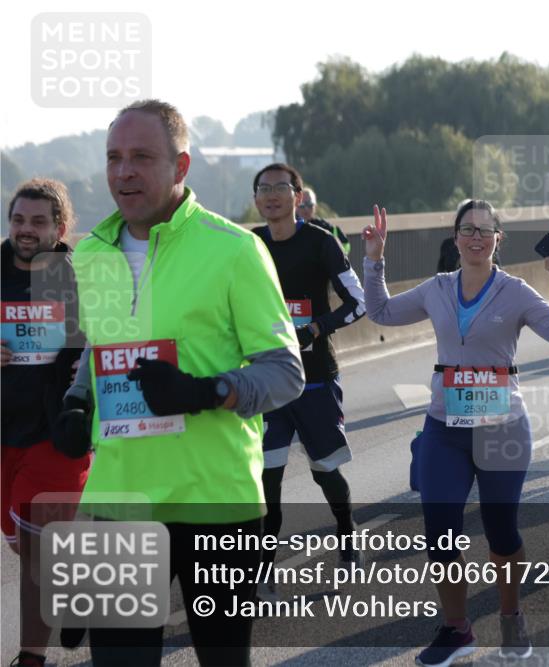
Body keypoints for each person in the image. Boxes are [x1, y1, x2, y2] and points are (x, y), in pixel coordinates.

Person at [57, 99, 305, 666]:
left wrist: (204, 392)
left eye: (142, 157)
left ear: (181, 166)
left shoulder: (236, 249)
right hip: (121, 502)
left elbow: (285, 373)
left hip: (215, 503)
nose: (124, 172)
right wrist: (76, 404)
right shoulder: (91, 254)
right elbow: (101, 349)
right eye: (114, 158)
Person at [362, 199, 549, 666]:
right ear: (456, 237)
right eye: (468, 229)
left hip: (502, 429)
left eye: (486, 230)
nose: (477, 237)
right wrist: (375, 258)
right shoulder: (436, 289)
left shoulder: (517, 291)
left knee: (500, 532)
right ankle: (457, 628)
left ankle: (510, 614)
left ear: (498, 239)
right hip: (444, 429)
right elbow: (379, 311)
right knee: (439, 535)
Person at [250, 163, 367, 602]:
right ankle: (263, 569)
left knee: (325, 471)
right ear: (257, 199)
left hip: (316, 378)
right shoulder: (251, 246)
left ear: (297, 196)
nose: (272, 195)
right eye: (264, 189)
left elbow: (359, 303)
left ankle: (345, 527)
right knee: (267, 481)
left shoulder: (321, 242)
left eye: (282, 187)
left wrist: (316, 328)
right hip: (265, 380)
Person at [2, 179, 90, 667]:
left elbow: (111, 337)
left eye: (38, 222)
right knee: (23, 545)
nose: (26, 230)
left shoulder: (77, 277)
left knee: (35, 548)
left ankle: (30, 658)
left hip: (57, 432)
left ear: (60, 227)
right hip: (3, 432)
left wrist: (87, 365)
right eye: (19, 219)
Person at [297, 186, 351, 254]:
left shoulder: (327, 228)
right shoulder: (289, 228)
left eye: (310, 204)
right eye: (302, 205)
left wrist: (334, 253)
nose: (306, 208)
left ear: (315, 206)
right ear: (295, 205)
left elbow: (346, 245)